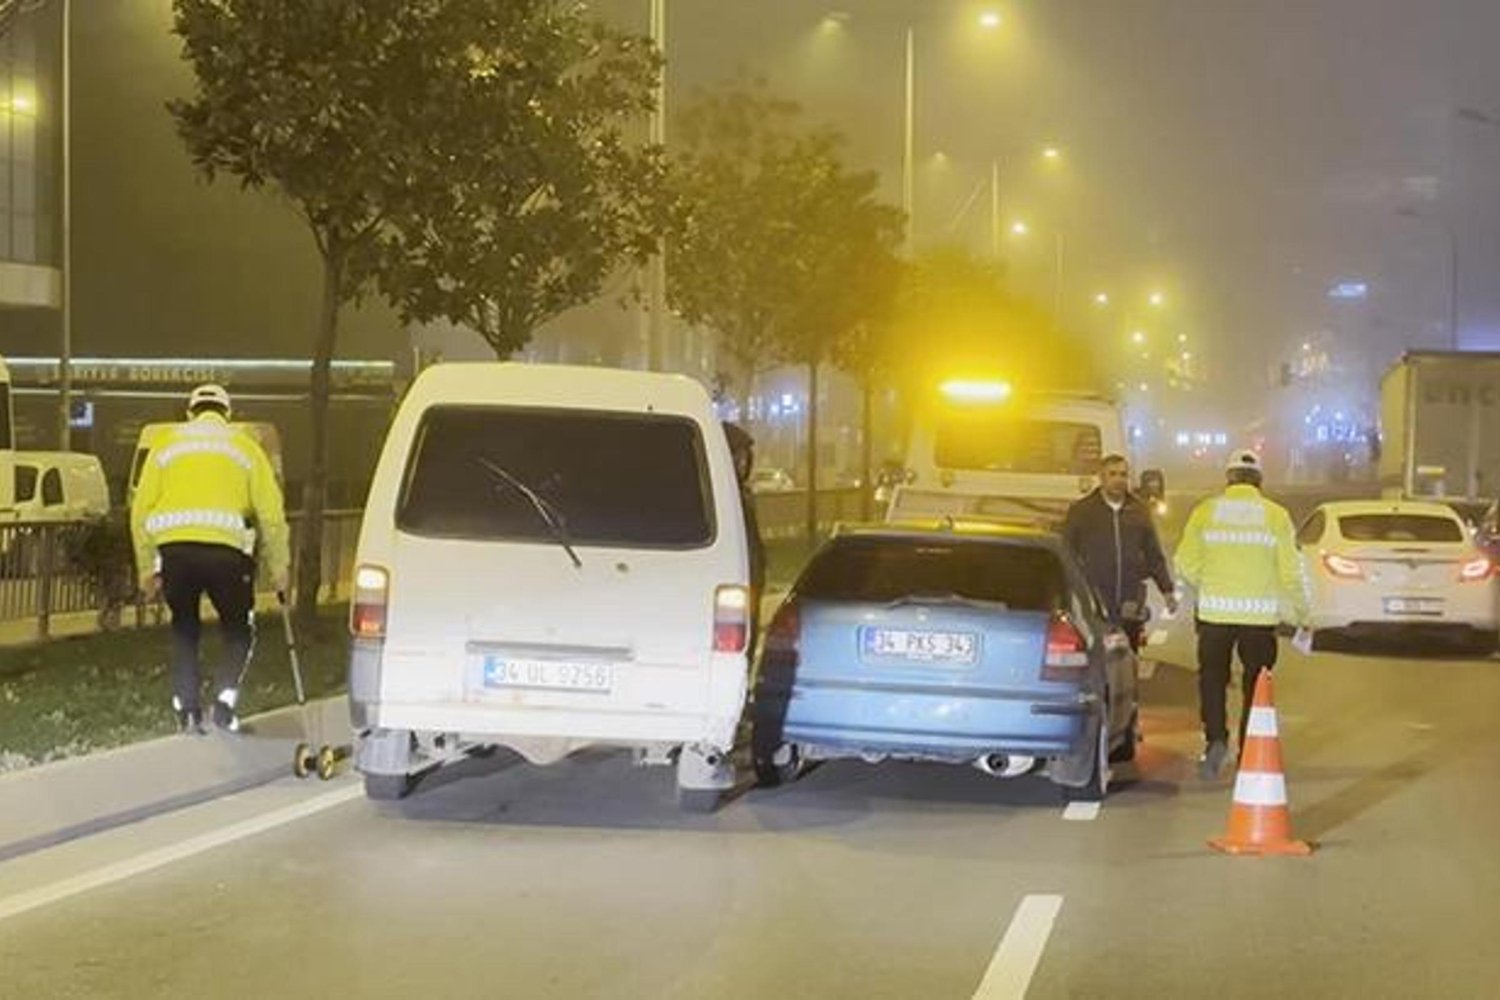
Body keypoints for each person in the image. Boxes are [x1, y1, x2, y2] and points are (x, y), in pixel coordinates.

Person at [130, 385, 289, 735]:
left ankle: (186, 710)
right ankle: (224, 702)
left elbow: (140, 511)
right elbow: (272, 514)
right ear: (227, 414)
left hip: (176, 552)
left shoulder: (167, 445)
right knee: (238, 630)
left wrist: (147, 569)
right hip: (227, 555)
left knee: (184, 627)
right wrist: (280, 568)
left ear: (190, 412)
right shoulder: (245, 447)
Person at [1174, 448, 1310, 779]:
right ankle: (1251, 747)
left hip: (1215, 616)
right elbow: (1291, 572)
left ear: (1229, 478)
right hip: (1260, 620)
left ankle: (1216, 739)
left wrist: (1209, 585)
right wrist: (1303, 613)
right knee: (1257, 684)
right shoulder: (1275, 515)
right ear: (1259, 480)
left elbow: (1184, 562)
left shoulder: (1206, 511)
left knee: (1212, 679)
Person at [1063, 453, 1177, 652]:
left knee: (1127, 654)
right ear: (1101, 477)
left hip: (1129, 598)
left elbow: (1153, 552)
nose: (1118, 480)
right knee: (1096, 651)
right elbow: (1067, 551)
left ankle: (1126, 681)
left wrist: (1167, 590)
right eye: (1112, 474)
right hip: (1094, 597)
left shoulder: (1139, 510)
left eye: (1123, 475)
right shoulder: (1082, 511)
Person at [723, 422, 766, 626]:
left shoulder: (743, 494)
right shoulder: (724, 496)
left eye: (745, 457)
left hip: (751, 581)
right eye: (737, 456)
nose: (742, 463)